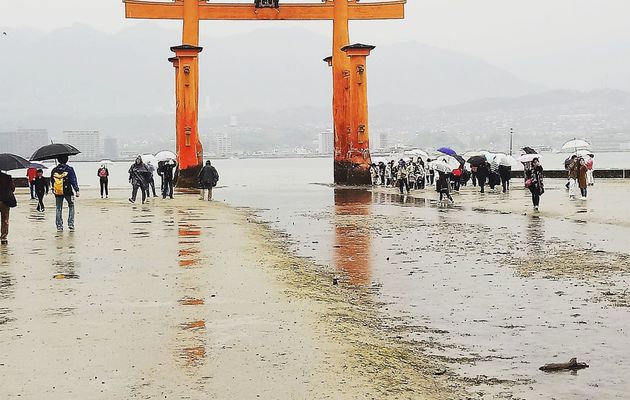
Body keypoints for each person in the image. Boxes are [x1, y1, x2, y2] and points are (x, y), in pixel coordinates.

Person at [50, 155, 80, 232]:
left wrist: (53, 189)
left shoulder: (54, 170)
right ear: (67, 160)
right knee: (71, 206)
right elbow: (73, 180)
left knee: (58, 208)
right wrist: (76, 190)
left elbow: (52, 181)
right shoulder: (69, 169)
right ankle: (71, 224)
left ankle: (59, 226)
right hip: (68, 191)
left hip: (58, 191)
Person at [0, 171, 16, 244]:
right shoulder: (7, 177)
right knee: (5, 219)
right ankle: (3, 237)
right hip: (5, 201)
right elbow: (13, 189)